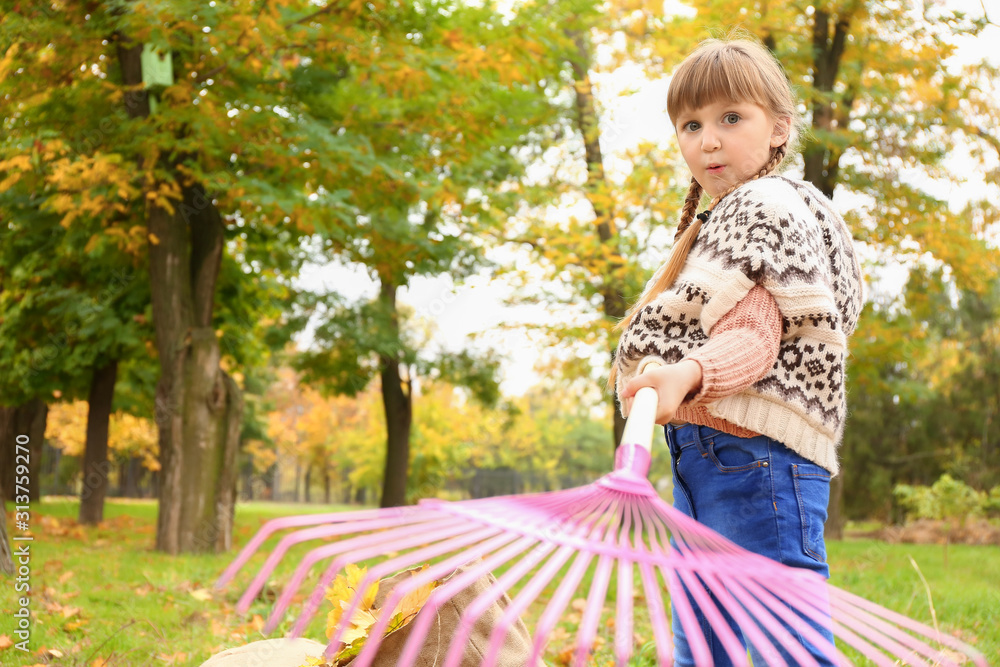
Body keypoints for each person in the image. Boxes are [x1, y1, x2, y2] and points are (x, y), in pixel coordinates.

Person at [610, 36, 864, 666]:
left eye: (731, 118)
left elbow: (755, 336)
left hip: (758, 464)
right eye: (691, 125)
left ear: (779, 129)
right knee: (705, 633)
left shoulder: (765, 208)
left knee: (783, 636)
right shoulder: (721, 221)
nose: (709, 140)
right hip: (710, 459)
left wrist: (690, 373)